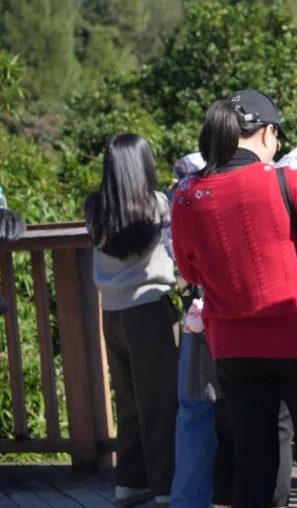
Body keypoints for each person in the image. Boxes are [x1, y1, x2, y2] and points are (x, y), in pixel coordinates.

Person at [171, 89, 297, 508]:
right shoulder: (285, 181)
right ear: (268, 134)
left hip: (235, 348)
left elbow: (190, 272)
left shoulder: (186, 196)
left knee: (253, 463)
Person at [84, 134, 180, 508]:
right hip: (151, 310)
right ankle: (166, 488)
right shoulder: (156, 203)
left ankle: (129, 483)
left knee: (129, 402)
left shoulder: (95, 208)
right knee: (160, 405)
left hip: (112, 313)